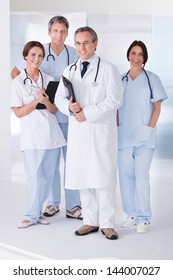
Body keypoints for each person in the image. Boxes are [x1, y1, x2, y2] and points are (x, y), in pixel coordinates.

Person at [55, 26, 123, 240]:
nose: (81, 47)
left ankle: (107, 223)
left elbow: (114, 100)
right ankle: (90, 221)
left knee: (103, 177)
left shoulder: (109, 69)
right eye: (77, 43)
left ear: (95, 43)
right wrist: (70, 108)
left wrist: (88, 113)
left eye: (85, 42)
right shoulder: (70, 70)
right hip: (79, 130)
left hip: (100, 130)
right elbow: (59, 98)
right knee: (83, 175)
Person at [11, 16, 82, 220]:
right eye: (55, 31)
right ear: (49, 32)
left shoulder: (72, 52)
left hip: (67, 114)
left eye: (63, 31)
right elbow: (17, 72)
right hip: (47, 115)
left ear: (67, 33)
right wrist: (27, 91)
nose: (59, 35)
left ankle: (74, 205)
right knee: (49, 163)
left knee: (71, 160)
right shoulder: (38, 51)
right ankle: (52, 203)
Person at [10, 41, 66, 228]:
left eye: (40, 55)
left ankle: (38, 212)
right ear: (25, 56)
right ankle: (30, 215)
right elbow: (18, 112)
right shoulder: (17, 82)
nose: (36, 59)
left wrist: (46, 100)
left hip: (51, 134)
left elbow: (54, 110)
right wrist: (37, 101)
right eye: (33, 55)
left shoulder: (49, 79)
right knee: (34, 176)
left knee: (48, 176)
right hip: (32, 136)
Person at [117, 40, 168, 233]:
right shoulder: (120, 79)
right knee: (125, 177)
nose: (136, 57)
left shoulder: (151, 79)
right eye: (133, 53)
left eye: (140, 54)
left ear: (144, 57)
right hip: (123, 135)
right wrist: (115, 128)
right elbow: (114, 107)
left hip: (144, 136)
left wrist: (149, 129)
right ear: (128, 55)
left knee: (141, 177)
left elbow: (157, 107)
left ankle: (144, 217)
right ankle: (131, 213)